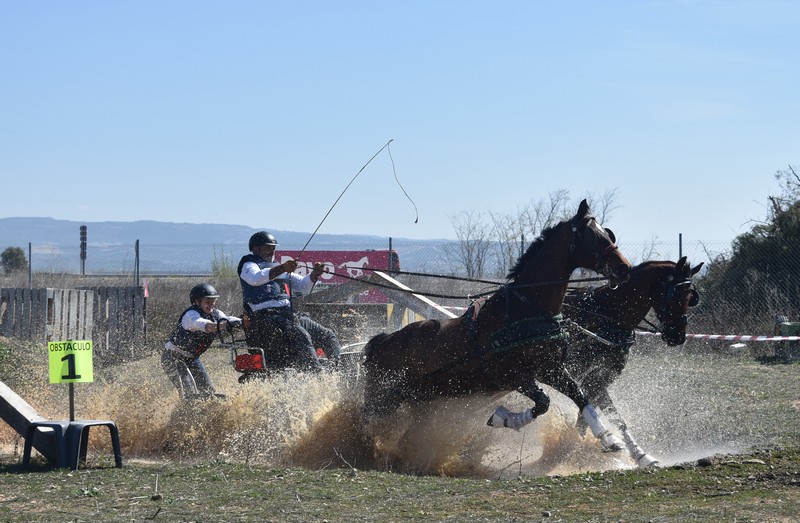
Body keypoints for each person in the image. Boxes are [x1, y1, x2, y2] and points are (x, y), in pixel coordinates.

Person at [237, 231, 342, 372]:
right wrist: (282, 268)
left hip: (288, 316)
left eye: (273, 248)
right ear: (256, 248)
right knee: (302, 335)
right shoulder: (249, 264)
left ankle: (339, 370)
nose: (272, 251)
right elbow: (255, 279)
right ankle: (316, 375)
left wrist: (314, 274)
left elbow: (303, 285)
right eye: (268, 247)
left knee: (327, 335)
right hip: (266, 318)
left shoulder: (278, 267)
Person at [162, 283, 241, 399]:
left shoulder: (216, 313)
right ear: (197, 302)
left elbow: (228, 319)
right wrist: (223, 326)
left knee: (208, 391)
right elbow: (206, 326)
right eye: (207, 302)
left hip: (192, 358)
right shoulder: (191, 315)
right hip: (172, 357)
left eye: (213, 301)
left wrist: (242, 322)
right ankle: (183, 410)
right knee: (188, 392)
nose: (211, 305)